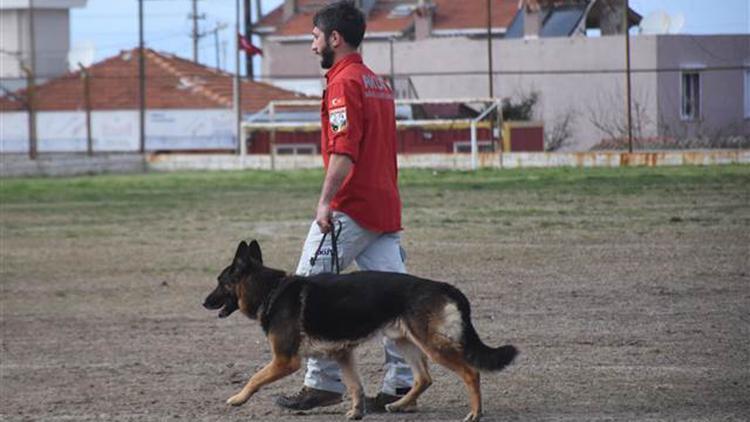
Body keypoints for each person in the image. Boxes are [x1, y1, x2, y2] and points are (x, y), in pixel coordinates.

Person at [274, 0, 414, 413]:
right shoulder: (377, 83)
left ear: (335, 38)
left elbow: (344, 151)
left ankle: (323, 382)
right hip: (384, 206)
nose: (312, 46)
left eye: (315, 37)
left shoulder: (343, 84)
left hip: (350, 208)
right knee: (397, 299)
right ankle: (402, 384)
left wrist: (325, 201)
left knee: (305, 291)